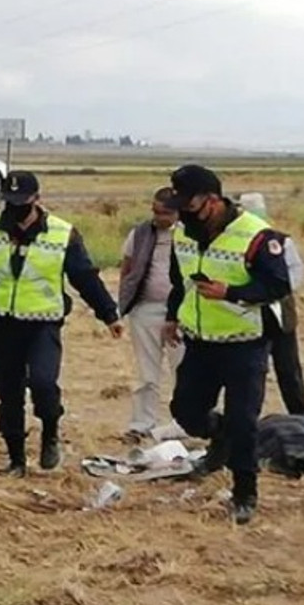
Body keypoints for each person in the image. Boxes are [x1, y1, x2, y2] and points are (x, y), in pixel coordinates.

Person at [0, 171, 124, 477]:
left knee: (43, 383)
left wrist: (108, 314)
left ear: (37, 200)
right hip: (0, 323)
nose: (15, 209)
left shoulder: (62, 234)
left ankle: (50, 429)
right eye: (9, 202)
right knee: (8, 394)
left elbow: (85, 277)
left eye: (21, 203)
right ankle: (16, 461)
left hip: (43, 324)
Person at [162, 165, 292, 525]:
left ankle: (244, 492)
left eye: (189, 204)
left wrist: (230, 293)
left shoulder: (257, 236)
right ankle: (220, 437)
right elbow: (179, 282)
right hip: (200, 341)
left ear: (213, 201)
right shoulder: (183, 234)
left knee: (244, 420)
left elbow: (278, 286)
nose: (183, 212)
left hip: (244, 343)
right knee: (186, 411)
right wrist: (172, 317)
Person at [238, 193, 304, 419]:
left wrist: (270, 291)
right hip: (246, 313)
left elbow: (295, 273)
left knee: (288, 366)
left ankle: (301, 414)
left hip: (279, 312)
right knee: (252, 370)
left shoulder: (281, 242)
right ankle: (248, 416)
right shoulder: (235, 242)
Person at [119, 187, 183, 438]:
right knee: (146, 372)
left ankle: (183, 424)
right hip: (145, 310)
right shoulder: (140, 233)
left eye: (165, 213)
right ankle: (142, 424)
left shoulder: (190, 236)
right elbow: (127, 266)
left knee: (183, 370)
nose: (158, 217)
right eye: (155, 211)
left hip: (181, 314)